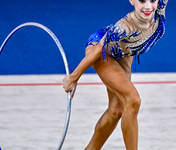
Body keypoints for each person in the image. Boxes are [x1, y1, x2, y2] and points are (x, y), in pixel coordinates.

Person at [63, 0, 169, 149]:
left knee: (116, 110)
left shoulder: (159, 8)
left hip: (125, 51)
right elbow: (97, 51)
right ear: (132, 0)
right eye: (142, 1)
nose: (148, 6)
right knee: (133, 100)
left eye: (152, 0)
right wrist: (73, 78)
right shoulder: (123, 27)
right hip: (102, 50)